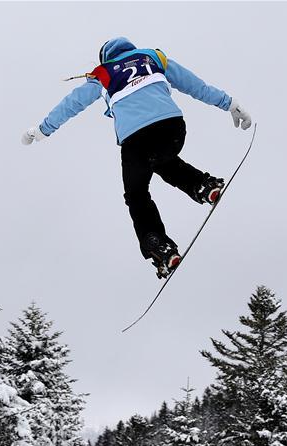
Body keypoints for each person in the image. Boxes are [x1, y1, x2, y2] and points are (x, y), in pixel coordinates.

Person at [21, 37, 253, 278]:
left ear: (105, 58)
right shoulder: (154, 57)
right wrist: (230, 104)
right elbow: (196, 86)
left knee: (136, 194)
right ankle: (203, 185)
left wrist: (41, 130)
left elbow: (71, 104)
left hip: (135, 139)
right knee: (162, 160)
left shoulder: (103, 74)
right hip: (172, 128)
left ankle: (158, 244)